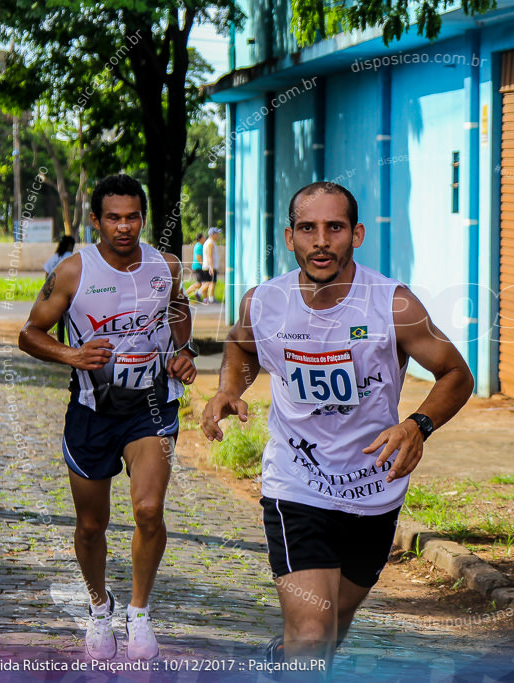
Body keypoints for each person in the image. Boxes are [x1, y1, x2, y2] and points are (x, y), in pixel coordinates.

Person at [201, 181, 473, 676]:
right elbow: (242, 347)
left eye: (335, 227)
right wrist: (229, 389)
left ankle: (280, 662)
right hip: (297, 482)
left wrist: (418, 425)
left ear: (357, 234)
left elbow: (457, 374)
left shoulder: (393, 304)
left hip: (374, 489)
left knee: (330, 632)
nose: (320, 240)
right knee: (311, 634)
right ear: (290, 237)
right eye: (308, 228)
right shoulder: (264, 302)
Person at [18, 174, 199, 661]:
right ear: (95, 220)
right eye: (113, 217)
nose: (124, 226)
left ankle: (139, 613)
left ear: (143, 218)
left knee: (148, 510)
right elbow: (29, 334)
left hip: (151, 406)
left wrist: (183, 351)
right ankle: (100, 608)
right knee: (91, 525)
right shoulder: (74, 272)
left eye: (133, 217)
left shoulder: (166, 267)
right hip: (91, 411)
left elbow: (178, 310)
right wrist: (71, 356)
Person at [43, 235, 76, 343]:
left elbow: (47, 272)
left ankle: (60, 342)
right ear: (70, 245)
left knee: (60, 321)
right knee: (71, 320)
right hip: (67, 291)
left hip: (54, 292)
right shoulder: (70, 257)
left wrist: (47, 289)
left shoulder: (55, 257)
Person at [200, 227, 220, 304]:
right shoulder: (210, 243)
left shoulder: (210, 242)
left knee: (208, 282)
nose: (218, 235)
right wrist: (211, 267)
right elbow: (209, 255)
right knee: (211, 282)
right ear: (212, 234)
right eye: (216, 234)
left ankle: (208, 298)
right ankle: (210, 298)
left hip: (208, 266)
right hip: (209, 267)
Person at [184, 233, 206, 302]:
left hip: (198, 267)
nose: (205, 238)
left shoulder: (199, 245)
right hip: (198, 267)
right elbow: (198, 257)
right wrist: (204, 265)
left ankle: (203, 298)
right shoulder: (199, 246)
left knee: (202, 283)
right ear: (200, 239)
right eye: (204, 237)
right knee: (199, 284)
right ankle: (184, 295)